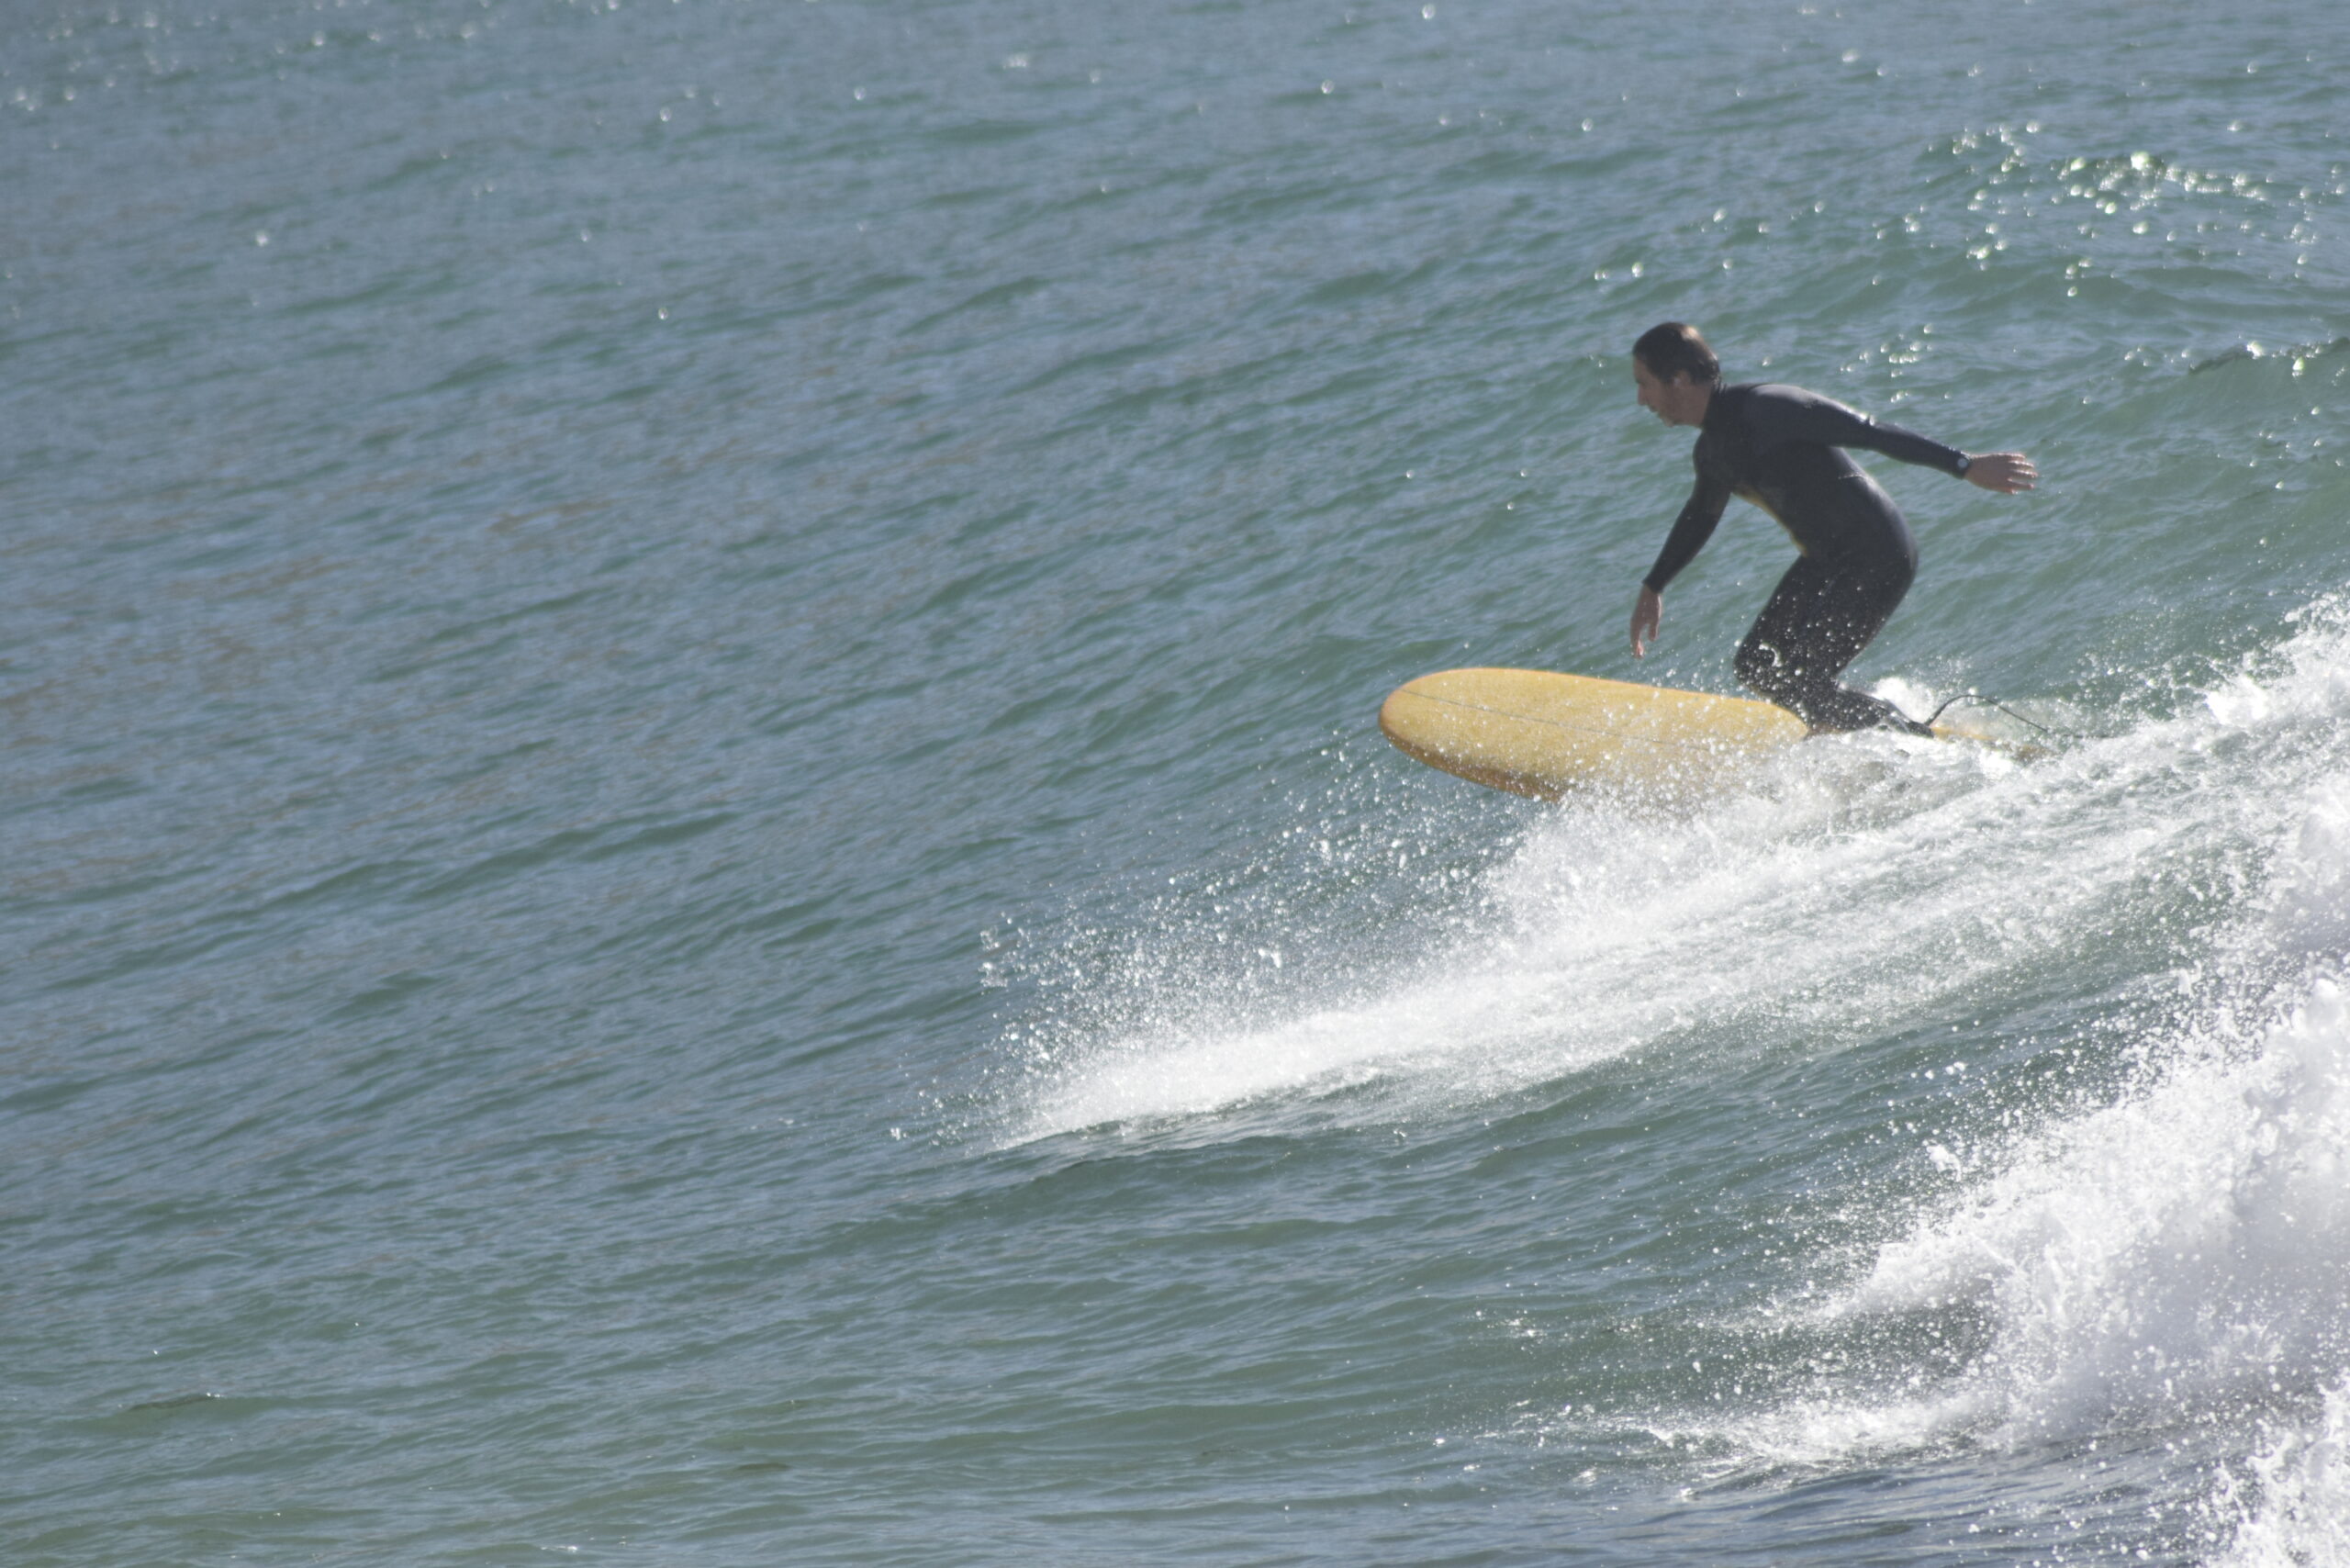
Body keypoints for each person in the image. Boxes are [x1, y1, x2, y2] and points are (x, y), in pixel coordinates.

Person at [1626, 322, 2036, 734]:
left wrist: (1965, 465)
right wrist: (1654, 585)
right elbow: (1701, 515)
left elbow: (1870, 432)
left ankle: (1913, 741)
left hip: (1878, 554)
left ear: (1678, 380)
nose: (1642, 399)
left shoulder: (1771, 407)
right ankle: (1841, 727)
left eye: (1645, 384)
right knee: (1757, 665)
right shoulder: (1712, 452)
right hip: (1824, 561)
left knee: (1806, 680)